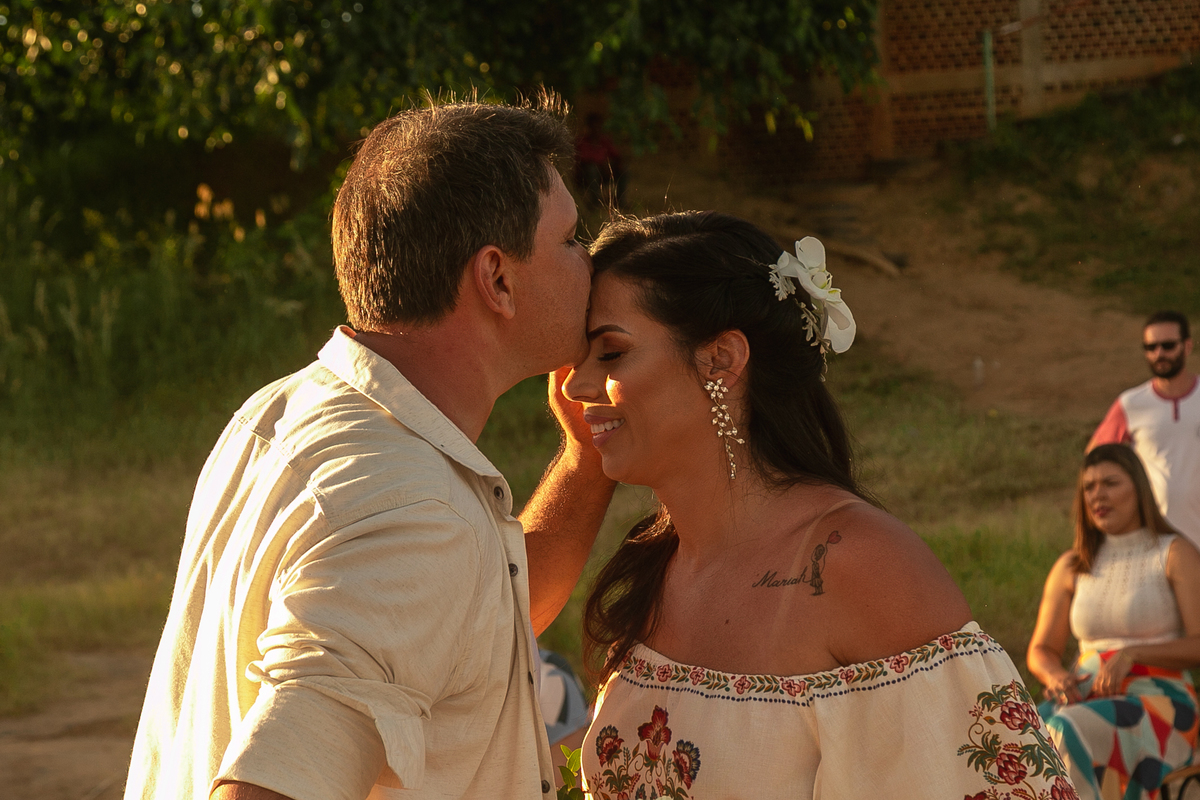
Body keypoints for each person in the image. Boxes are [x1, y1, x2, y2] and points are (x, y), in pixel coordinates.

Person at [124, 97, 617, 800]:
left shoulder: (281, 413)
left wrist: (583, 462)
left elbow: (447, 630)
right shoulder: (411, 507)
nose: (590, 262)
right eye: (571, 241)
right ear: (497, 280)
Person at [562, 211, 1077, 799]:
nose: (574, 387)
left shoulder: (858, 565)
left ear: (722, 360)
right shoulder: (660, 561)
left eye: (609, 354)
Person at [1027, 443, 1200, 800]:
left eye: (1110, 483)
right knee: (1020, 737)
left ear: (1138, 488)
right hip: (1084, 697)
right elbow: (1041, 649)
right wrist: (1055, 675)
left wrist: (1132, 653)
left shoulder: (1173, 553)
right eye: (1088, 487)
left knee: (1064, 729)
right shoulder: (1072, 565)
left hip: (1158, 701)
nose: (1097, 495)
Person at [1089, 311, 1200, 547]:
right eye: (1151, 347)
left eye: (1168, 345)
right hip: (1155, 539)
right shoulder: (1131, 404)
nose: (1159, 354)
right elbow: (1096, 460)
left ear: (1187, 346)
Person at [574, 112, 625, 209]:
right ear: (589, 127)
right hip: (586, 176)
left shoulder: (604, 141)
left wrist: (614, 165)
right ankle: (596, 202)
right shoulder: (582, 141)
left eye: (598, 126)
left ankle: (620, 201)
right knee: (592, 169)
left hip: (604, 173)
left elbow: (617, 156)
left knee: (623, 169)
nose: (596, 129)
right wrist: (601, 165)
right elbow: (584, 160)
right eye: (594, 127)